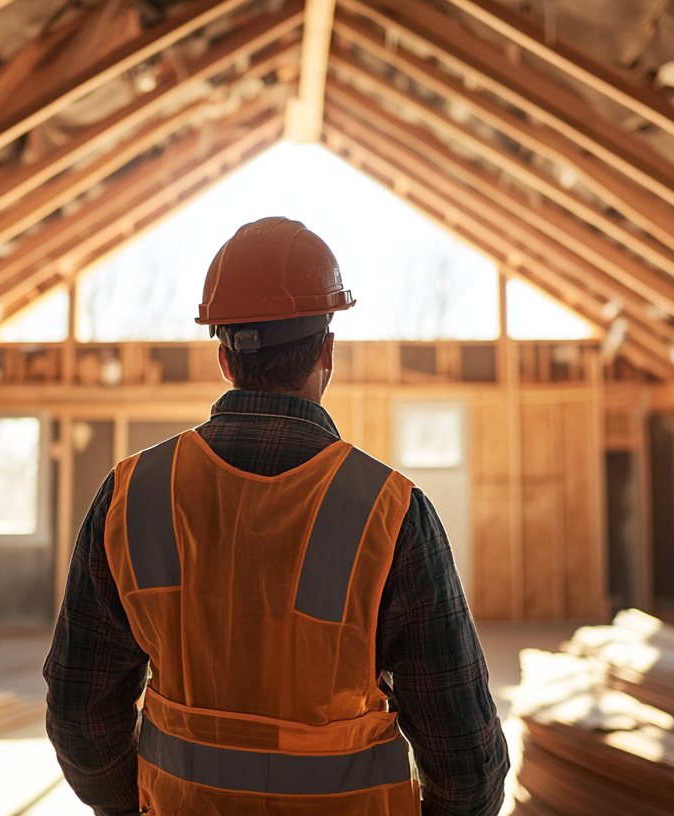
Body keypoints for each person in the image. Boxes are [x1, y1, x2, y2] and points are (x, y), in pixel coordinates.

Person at [44, 217, 509, 815]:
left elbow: (80, 711)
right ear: (326, 352)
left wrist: (132, 805)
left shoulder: (133, 495)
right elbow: (466, 760)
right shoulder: (389, 511)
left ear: (224, 359)